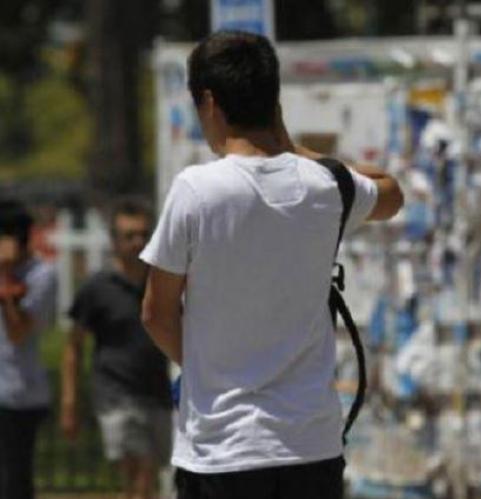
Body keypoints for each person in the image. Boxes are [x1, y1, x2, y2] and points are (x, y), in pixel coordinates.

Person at [139, 31, 403, 499]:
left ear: (209, 101)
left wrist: (207, 368)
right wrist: (291, 146)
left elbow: (156, 313)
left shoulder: (197, 189)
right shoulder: (325, 188)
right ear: (274, 101)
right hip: (311, 445)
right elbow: (391, 194)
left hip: (224, 449)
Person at [60, 198, 171, 499]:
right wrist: (70, 401)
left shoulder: (161, 283)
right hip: (115, 394)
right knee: (141, 467)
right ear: (114, 240)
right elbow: (74, 346)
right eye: (129, 236)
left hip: (157, 393)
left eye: (143, 234)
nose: (137, 242)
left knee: (142, 482)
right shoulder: (97, 287)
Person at [0, 200, 58, 499]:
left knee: (14, 479)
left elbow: (19, 332)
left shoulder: (42, 275)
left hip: (19, 393)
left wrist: (6, 276)